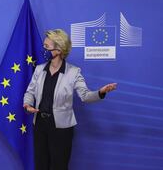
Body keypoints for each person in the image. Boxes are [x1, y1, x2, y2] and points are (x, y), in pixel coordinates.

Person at [23, 29, 117, 170]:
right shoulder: (39, 69)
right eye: (43, 46)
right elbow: (30, 92)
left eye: (47, 47)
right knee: (41, 165)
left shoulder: (74, 72)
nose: (43, 49)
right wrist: (27, 104)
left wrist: (100, 92)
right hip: (40, 125)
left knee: (59, 166)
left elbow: (85, 96)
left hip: (62, 128)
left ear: (59, 49)